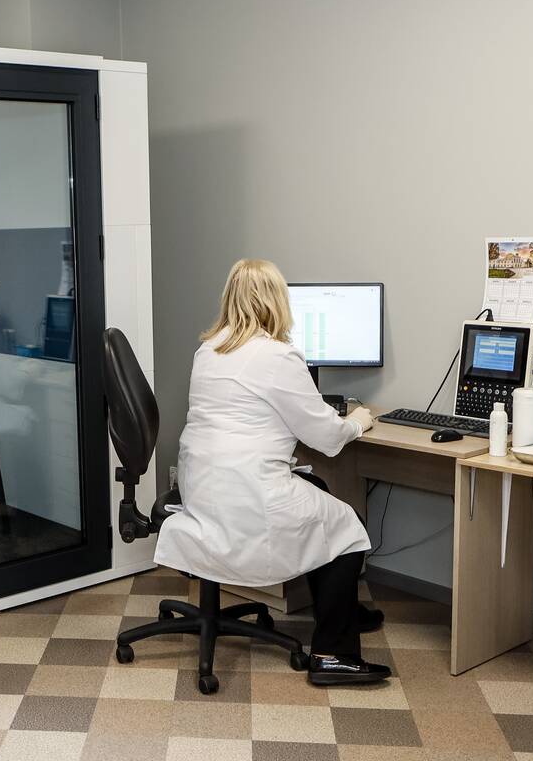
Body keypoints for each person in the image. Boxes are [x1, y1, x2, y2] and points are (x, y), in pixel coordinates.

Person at [154, 259, 391, 686]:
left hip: (203, 487)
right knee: (349, 527)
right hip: (250, 497)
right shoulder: (278, 356)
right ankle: (333, 655)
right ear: (277, 302)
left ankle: (344, 614)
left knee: (317, 488)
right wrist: (359, 421)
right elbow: (326, 436)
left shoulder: (209, 349)